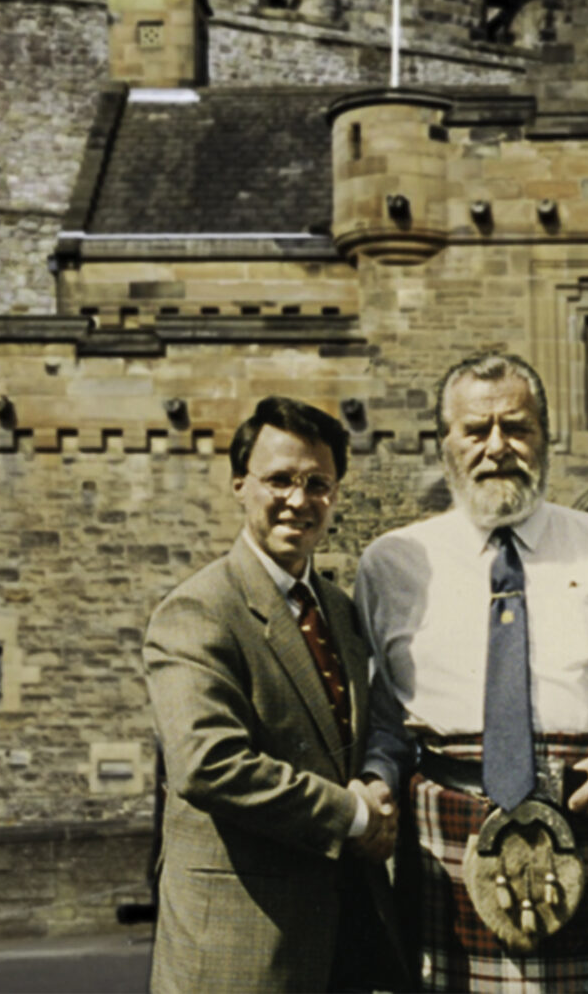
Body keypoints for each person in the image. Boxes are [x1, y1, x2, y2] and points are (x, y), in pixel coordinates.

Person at [356, 351, 588, 992]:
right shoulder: (392, 563)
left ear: (545, 437)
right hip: (446, 857)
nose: (497, 447)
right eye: (476, 430)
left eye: (517, 427)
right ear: (445, 442)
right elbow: (376, 718)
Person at [144, 396, 407, 993]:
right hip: (243, 947)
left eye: (318, 484)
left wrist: (378, 780)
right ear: (240, 484)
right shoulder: (199, 610)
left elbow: (367, 729)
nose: (299, 499)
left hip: (346, 936)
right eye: (280, 479)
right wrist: (357, 815)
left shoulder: (339, 611)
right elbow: (208, 765)